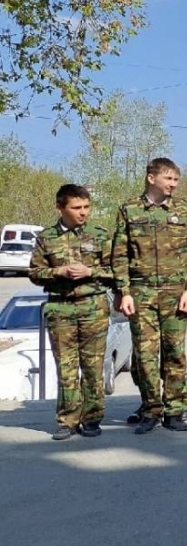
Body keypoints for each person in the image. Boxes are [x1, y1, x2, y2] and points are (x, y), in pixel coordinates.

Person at [111, 157, 187, 435]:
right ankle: (151, 409)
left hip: (176, 294)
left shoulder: (185, 211)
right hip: (141, 294)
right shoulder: (130, 210)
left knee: (174, 353)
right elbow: (120, 254)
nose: (173, 184)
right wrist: (123, 292)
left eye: (176, 180)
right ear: (152, 178)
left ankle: (174, 410)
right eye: (169, 179)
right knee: (146, 356)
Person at [27, 184, 113, 440]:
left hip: (93, 306)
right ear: (60, 208)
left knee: (92, 366)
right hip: (61, 307)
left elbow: (116, 271)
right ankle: (67, 420)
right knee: (66, 367)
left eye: (86, 207)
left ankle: (92, 418)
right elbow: (34, 273)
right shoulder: (46, 237)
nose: (83, 212)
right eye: (76, 208)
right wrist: (59, 272)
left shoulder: (99, 234)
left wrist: (91, 272)